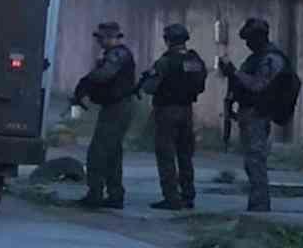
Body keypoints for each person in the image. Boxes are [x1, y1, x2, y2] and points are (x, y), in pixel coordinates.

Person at [219, 17, 286, 212]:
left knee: (255, 161)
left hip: (258, 114)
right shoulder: (256, 57)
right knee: (251, 161)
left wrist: (234, 72)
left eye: (249, 39)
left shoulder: (271, 59)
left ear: (259, 37)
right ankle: (256, 204)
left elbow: (259, 85)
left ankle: (260, 206)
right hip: (248, 113)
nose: (247, 43)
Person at [138, 23, 207, 210]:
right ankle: (188, 196)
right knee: (185, 154)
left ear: (167, 40)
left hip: (167, 110)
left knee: (166, 154)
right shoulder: (194, 60)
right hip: (187, 110)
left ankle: (171, 198)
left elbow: (149, 88)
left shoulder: (165, 62)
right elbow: (200, 85)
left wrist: (146, 79)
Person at [71, 21, 136, 209]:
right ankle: (115, 195)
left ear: (111, 37)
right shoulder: (114, 54)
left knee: (98, 152)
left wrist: (86, 81)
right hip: (114, 107)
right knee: (112, 153)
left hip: (117, 108)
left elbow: (104, 75)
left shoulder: (118, 54)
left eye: (101, 38)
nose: (99, 42)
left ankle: (96, 194)